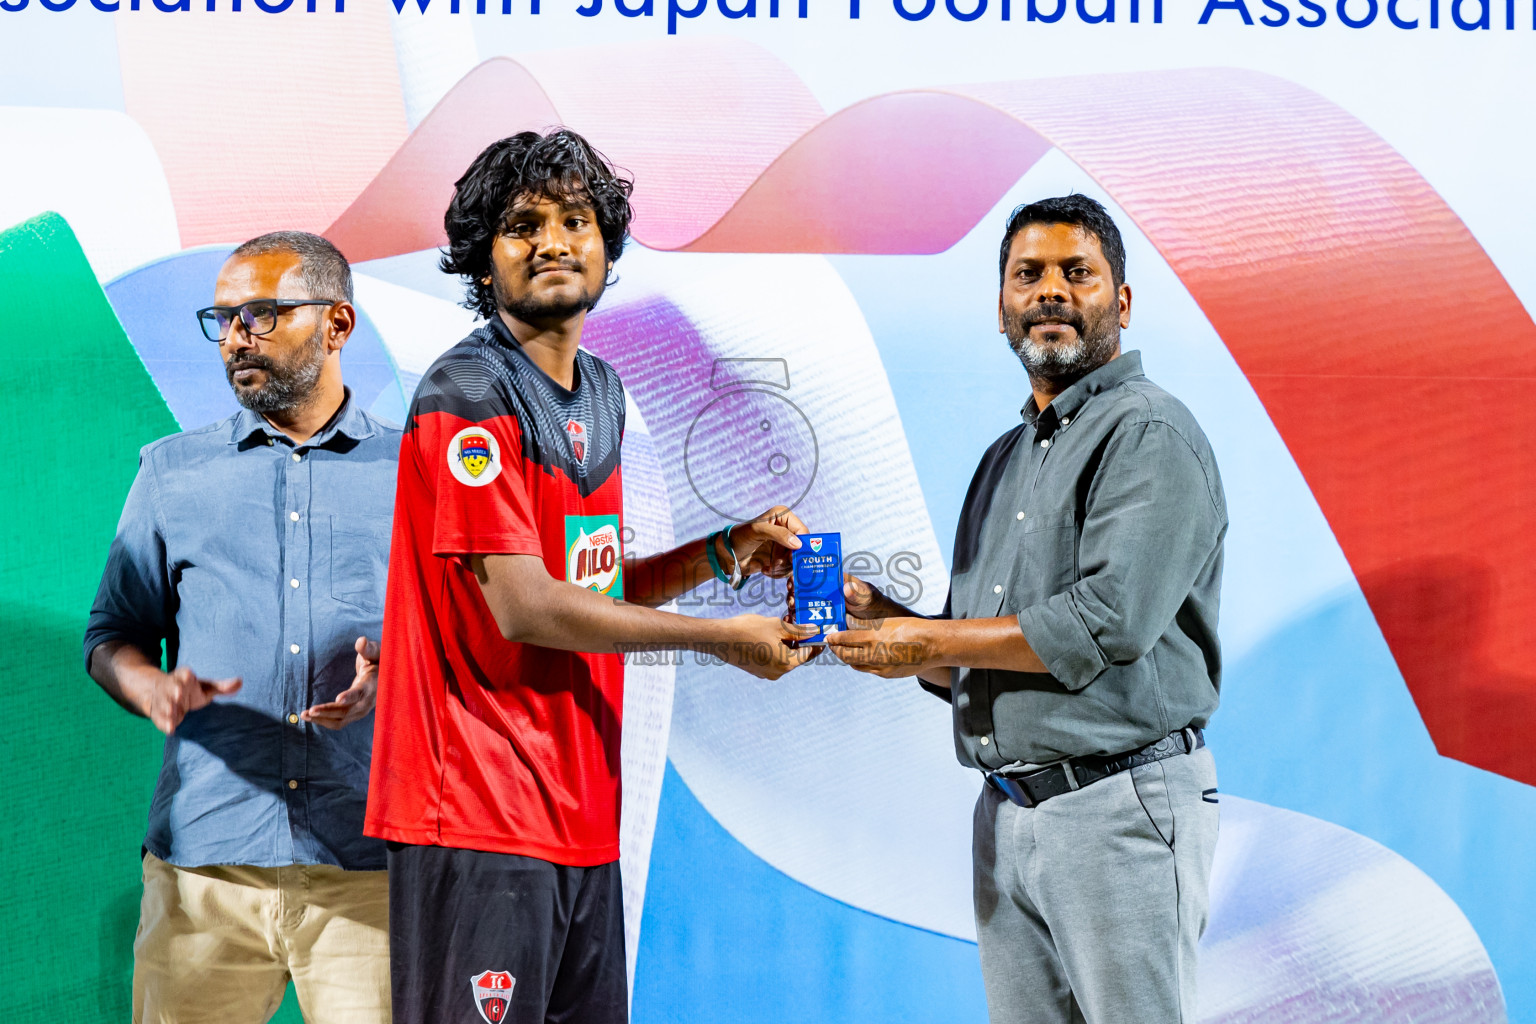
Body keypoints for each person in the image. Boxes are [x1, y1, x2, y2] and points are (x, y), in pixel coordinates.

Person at [364, 128, 817, 1024]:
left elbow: (588, 595)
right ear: (481, 259)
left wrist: (722, 551)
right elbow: (528, 609)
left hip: (579, 816)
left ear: (608, 248)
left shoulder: (600, 393)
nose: (554, 242)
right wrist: (724, 639)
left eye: (576, 220)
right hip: (477, 815)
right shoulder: (467, 393)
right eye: (522, 225)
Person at [825, 195, 1226, 1024]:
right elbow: (968, 656)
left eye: (1076, 273)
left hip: (1120, 807)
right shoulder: (1003, 459)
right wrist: (880, 620)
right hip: (1008, 816)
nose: (1050, 291)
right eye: (1027, 275)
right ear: (1001, 307)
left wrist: (921, 636)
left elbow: (1104, 623)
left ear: (1120, 302)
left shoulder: (1148, 431)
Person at [84, 232, 399, 1024]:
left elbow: (473, 642)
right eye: (222, 319)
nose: (235, 338)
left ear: (338, 325)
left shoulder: (418, 476)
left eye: (261, 314)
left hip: (369, 874)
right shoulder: (170, 474)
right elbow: (110, 635)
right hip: (204, 875)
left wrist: (397, 676)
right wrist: (150, 686)